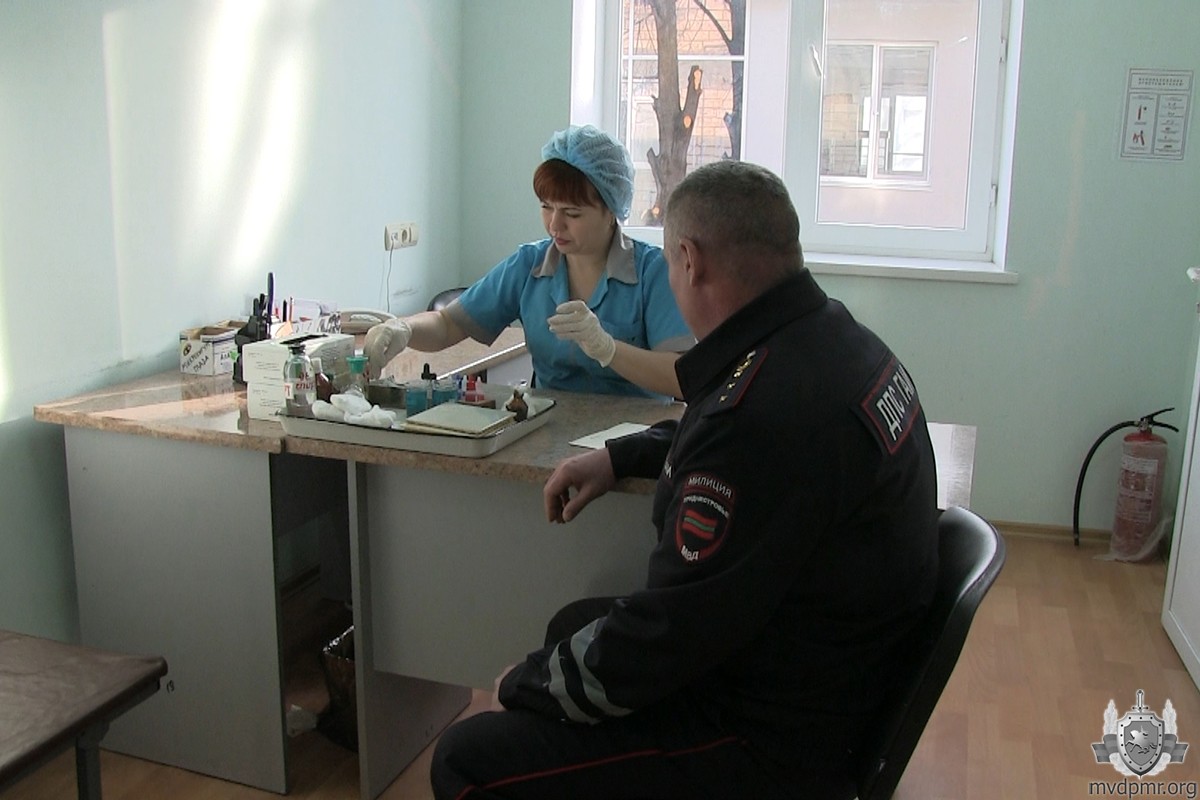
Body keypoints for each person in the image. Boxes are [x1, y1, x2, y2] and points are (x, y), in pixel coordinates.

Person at [429, 161, 940, 800]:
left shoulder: (761, 415)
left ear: (690, 261)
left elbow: (668, 635)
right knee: (573, 624)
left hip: (769, 733)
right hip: (832, 670)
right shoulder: (828, 340)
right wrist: (621, 456)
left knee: (464, 757)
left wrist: (522, 685)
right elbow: (726, 434)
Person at [364, 125, 692, 399]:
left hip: (636, 439)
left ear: (612, 211)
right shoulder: (529, 266)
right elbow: (450, 324)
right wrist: (403, 329)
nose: (555, 225)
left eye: (572, 213)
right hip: (550, 429)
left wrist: (608, 349)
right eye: (546, 207)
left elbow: (682, 378)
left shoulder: (654, 273)